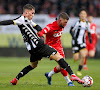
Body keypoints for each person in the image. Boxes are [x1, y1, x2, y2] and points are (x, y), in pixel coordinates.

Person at [0, 4, 84, 85]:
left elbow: (37, 27)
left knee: (33, 65)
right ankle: (73, 75)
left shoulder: (28, 20)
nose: (33, 15)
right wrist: (41, 39)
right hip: (38, 45)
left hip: (32, 50)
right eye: (32, 13)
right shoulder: (20, 19)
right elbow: (9, 21)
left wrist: (41, 35)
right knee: (58, 57)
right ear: (26, 12)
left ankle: (15, 79)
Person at [38, 12, 74, 86]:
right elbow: (42, 32)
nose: (66, 24)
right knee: (62, 63)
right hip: (50, 48)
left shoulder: (61, 25)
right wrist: (41, 36)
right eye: (65, 22)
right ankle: (68, 81)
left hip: (59, 46)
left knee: (61, 65)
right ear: (60, 20)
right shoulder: (50, 27)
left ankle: (49, 75)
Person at [70, 9, 92, 76]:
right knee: (76, 58)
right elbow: (71, 30)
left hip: (82, 42)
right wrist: (74, 37)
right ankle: (75, 59)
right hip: (75, 42)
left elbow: (88, 32)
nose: (83, 15)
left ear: (86, 15)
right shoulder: (76, 22)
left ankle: (79, 70)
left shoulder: (87, 24)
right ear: (79, 15)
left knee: (83, 55)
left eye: (84, 14)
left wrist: (90, 38)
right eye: (81, 14)